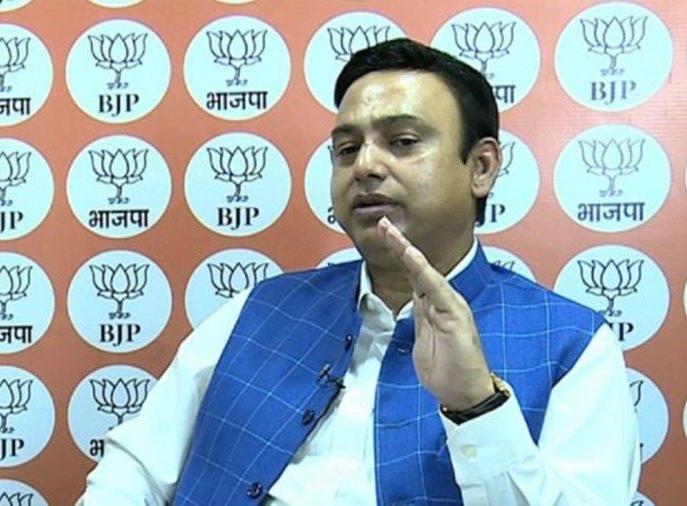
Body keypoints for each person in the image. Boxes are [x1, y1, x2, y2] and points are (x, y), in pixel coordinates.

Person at [78, 38, 639, 505]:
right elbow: (137, 468)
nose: (366, 165)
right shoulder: (260, 308)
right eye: (347, 149)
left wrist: (477, 407)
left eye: (403, 142)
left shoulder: (572, 344)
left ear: (482, 167)